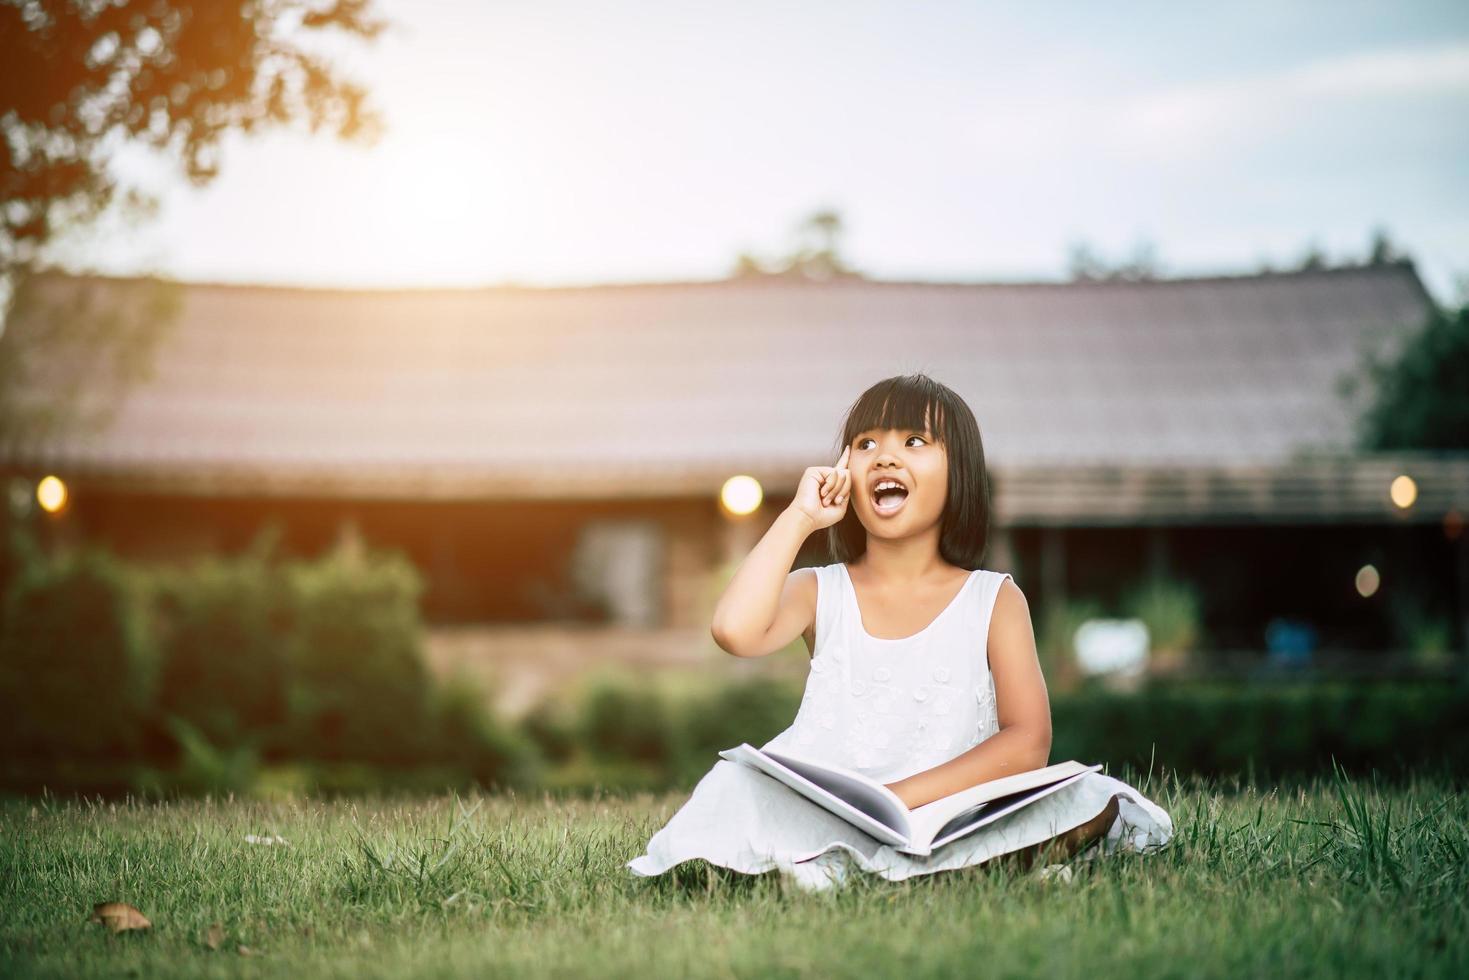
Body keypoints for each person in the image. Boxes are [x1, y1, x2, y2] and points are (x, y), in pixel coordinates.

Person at [627, 373, 1173, 891]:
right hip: (827, 811)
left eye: (915, 441)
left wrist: (899, 799)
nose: (884, 455)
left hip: (950, 808)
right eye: (864, 444)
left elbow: (1028, 740)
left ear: (958, 473)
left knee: (1088, 796)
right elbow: (734, 631)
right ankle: (904, 866)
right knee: (734, 786)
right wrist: (799, 516)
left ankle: (861, 866)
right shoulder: (820, 590)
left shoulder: (994, 600)